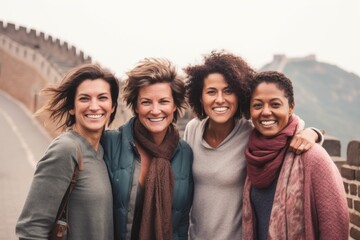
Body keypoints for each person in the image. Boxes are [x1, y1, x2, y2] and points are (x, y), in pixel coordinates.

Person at [183, 50, 322, 239]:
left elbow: (284, 124)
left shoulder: (251, 132)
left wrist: (313, 133)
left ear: (239, 95)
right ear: (200, 98)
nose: (220, 99)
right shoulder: (192, 129)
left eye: (228, 91)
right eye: (211, 92)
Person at [16, 64, 119, 239]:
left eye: (102, 98)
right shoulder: (66, 149)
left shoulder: (103, 151)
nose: (94, 107)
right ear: (72, 107)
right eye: (84, 99)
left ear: (113, 106)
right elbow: (32, 228)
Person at [242, 71, 349, 239]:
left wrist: (314, 133)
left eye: (275, 104)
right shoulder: (251, 154)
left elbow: (335, 227)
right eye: (257, 105)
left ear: (291, 107)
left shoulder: (312, 157)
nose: (266, 112)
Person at [101, 58, 193, 240]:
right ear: (135, 105)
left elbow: (182, 224)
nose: (155, 110)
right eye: (146, 102)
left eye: (164, 101)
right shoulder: (110, 144)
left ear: (174, 105)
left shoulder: (185, 154)